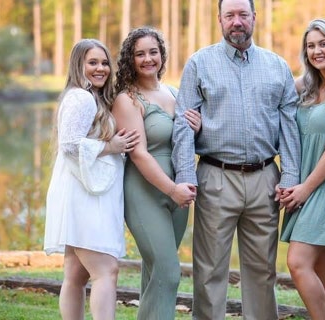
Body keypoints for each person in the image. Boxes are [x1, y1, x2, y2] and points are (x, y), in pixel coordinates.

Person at [171, 0, 301, 318]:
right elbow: (183, 123)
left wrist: (291, 176)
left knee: (262, 271)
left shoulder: (277, 66)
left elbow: (289, 126)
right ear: (220, 20)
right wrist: (185, 174)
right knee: (210, 270)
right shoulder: (200, 63)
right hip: (215, 176)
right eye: (230, 15)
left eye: (243, 14)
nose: (237, 22)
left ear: (254, 18)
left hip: (265, 178)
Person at [44, 38, 139, 320]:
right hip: (85, 195)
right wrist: (112, 147)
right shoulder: (82, 98)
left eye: (104, 62)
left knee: (76, 274)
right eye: (92, 63)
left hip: (83, 191)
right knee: (106, 271)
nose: (101, 69)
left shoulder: (88, 96)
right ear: (78, 65)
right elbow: (70, 145)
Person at [111, 26, 197, 320]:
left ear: (162, 54)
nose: (148, 59)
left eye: (153, 52)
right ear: (130, 59)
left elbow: (185, 141)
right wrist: (172, 189)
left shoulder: (174, 92)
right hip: (146, 192)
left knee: (155, 272)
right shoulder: (127, 99)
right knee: (168, 272)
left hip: (178, 194)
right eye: (140, 54)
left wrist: (196, 128)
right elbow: (139, 154)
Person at [278, 18, 325, 320]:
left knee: (297, 263)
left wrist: (304, 190)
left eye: (323, 43)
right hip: (305, 181)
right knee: (323, 267)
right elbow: (266, 98)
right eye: (311, 46)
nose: (317, 51)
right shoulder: (305, 86)